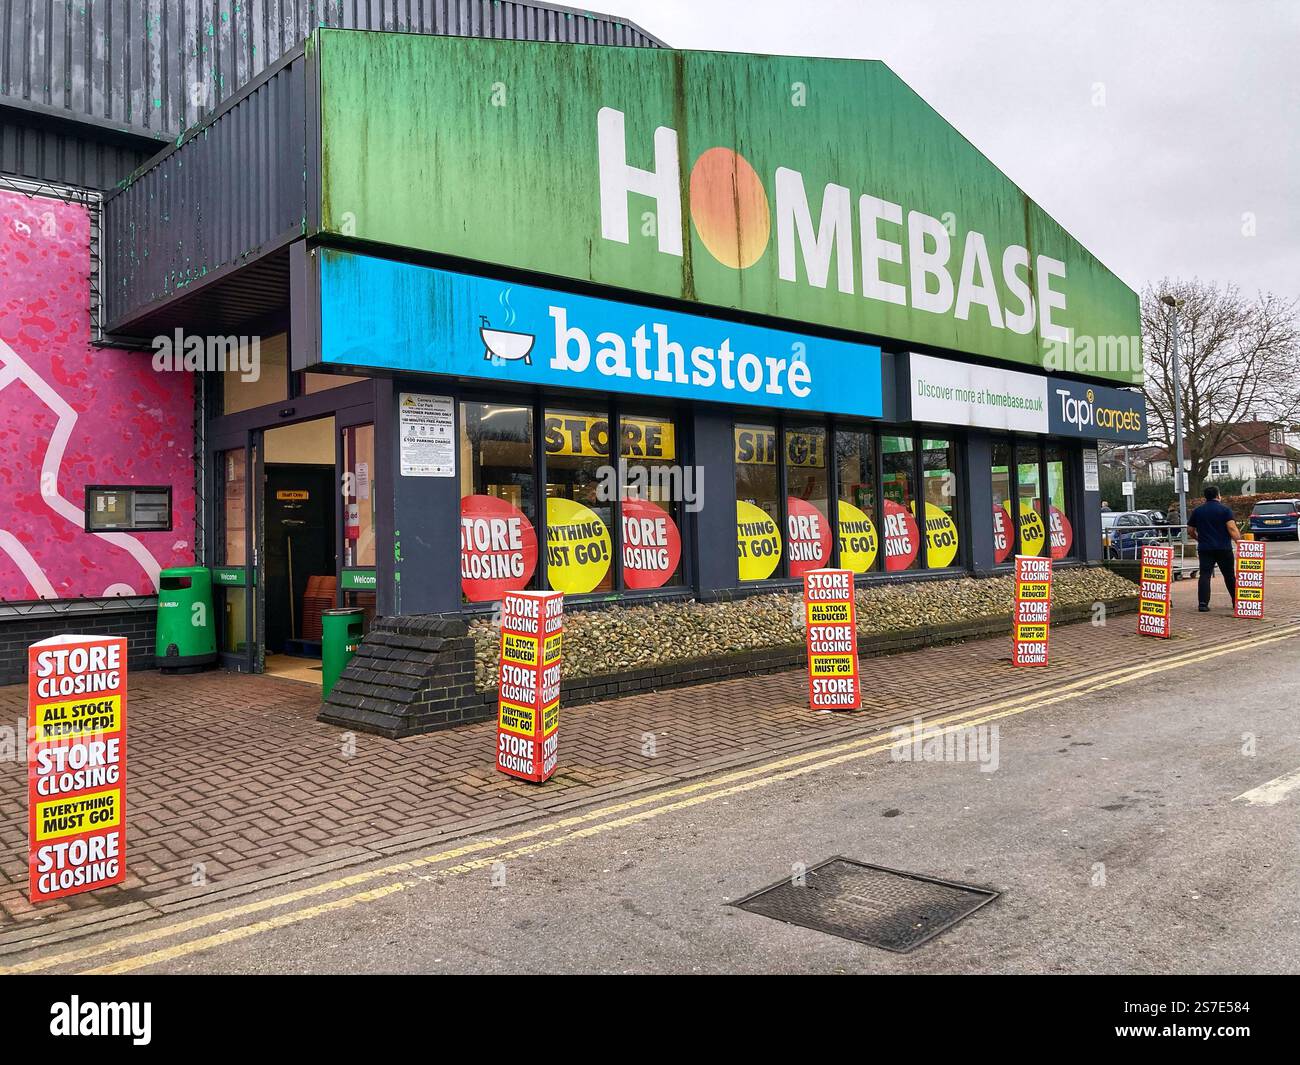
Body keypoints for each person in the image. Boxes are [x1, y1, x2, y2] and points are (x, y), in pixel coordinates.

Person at [1186, 485, 1240, 612]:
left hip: (1205, 548)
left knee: (1205, 575)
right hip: (1223, 548)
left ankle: (1203, 604)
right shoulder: (1225, 510)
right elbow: (1232, 528)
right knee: (1229, 575)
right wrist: (1240, 542)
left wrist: (1199, 539)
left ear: (1205, 497)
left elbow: (1190, 530)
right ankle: (1236, 602)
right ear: (1218, 495)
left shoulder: (1198, 511)